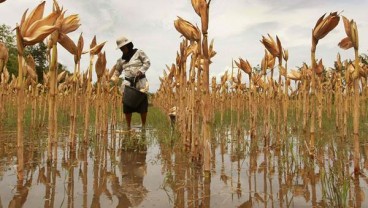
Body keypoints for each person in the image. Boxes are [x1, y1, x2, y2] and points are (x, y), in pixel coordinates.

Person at [113, 36, 150, 130]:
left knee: (142, 106)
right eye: (121, 48)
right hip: (128, 84)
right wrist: (114, 77)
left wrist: (141, 71)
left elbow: (147, 62)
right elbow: (117, 70)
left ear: (128, 45)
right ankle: (129, 127)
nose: (122, 50)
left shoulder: (138, 53)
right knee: (127, 107)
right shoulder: (121, 60)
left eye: (123, 47)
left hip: (140, 83)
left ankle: (144, 126)